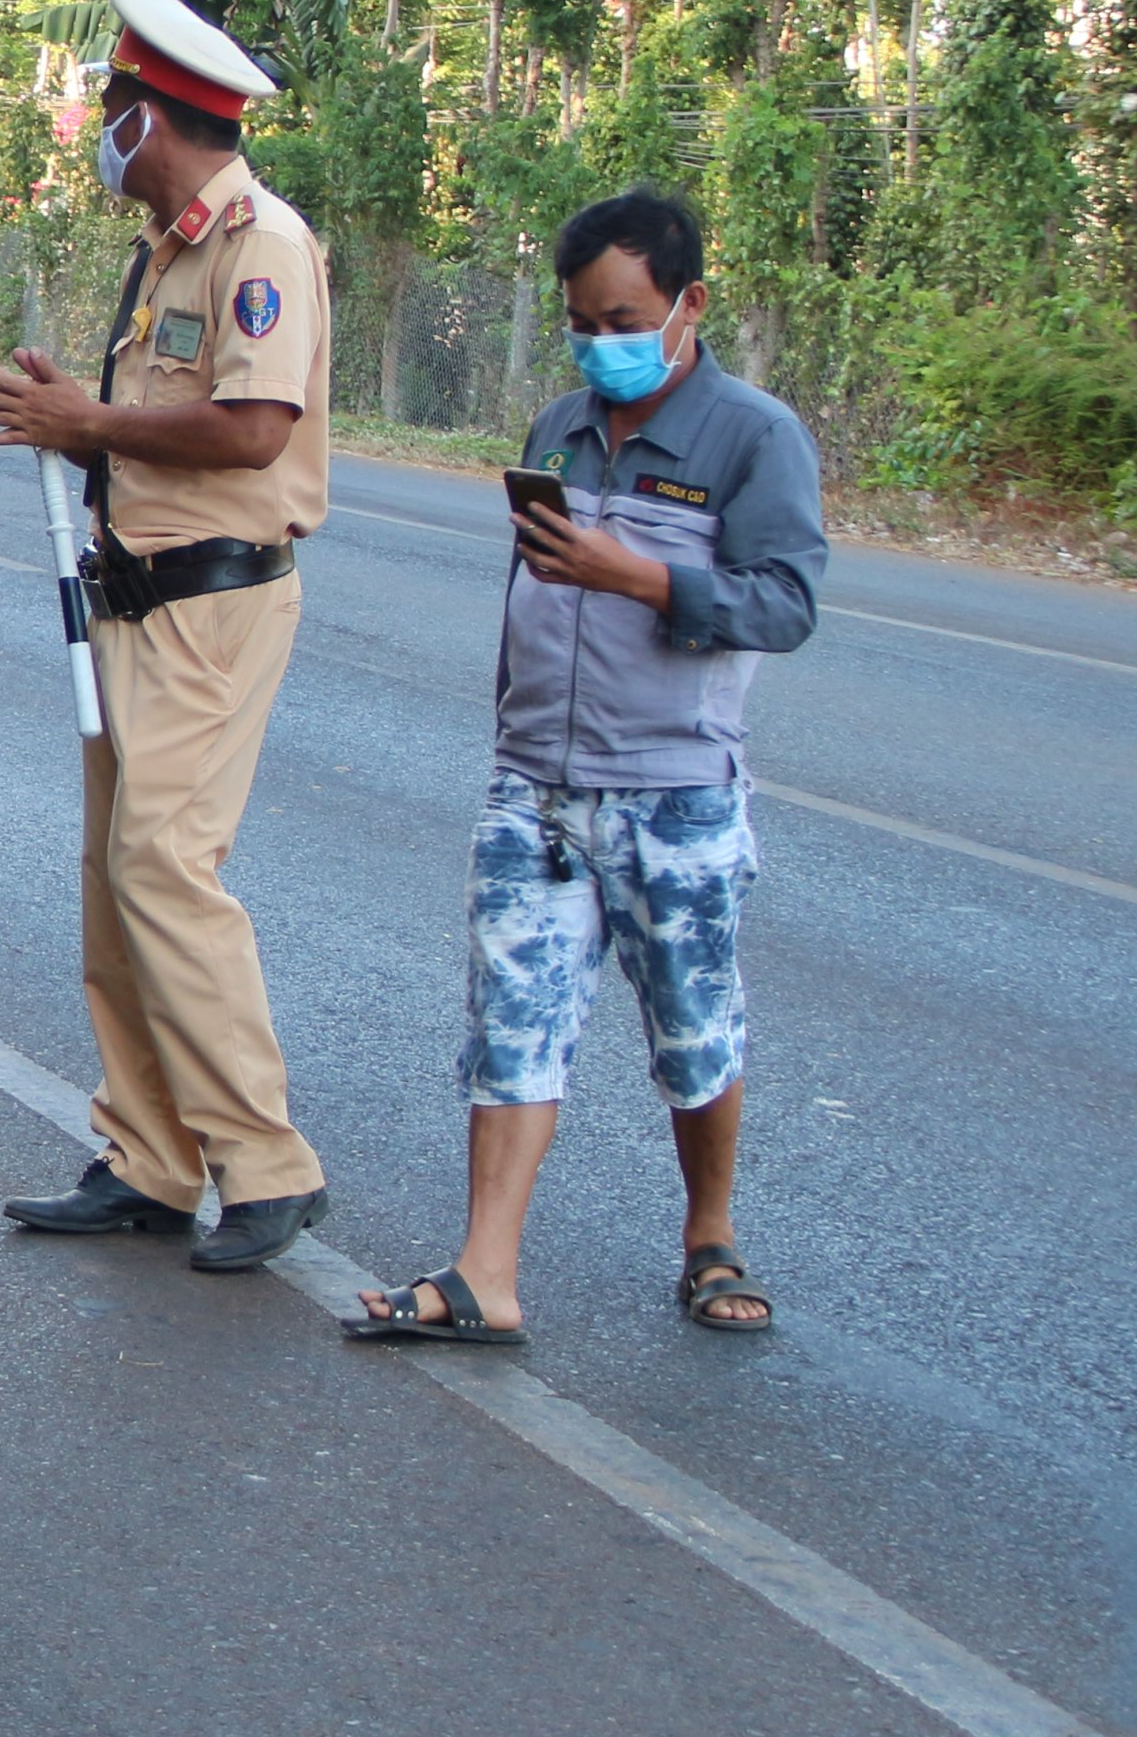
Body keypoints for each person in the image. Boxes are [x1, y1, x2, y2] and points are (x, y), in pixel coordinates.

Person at [345, 190, 825, 1347]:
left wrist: (645, 578)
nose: (598, 341)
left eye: (623, 316)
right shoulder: (559, 426)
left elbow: (788, 604)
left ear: (688, 305)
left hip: (676, 791)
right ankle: (484, 1275)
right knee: (512, 1022)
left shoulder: (754, 438)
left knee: (693, 1027)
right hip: (536, 789)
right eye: (580, 319)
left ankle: (709, 1237)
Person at [0, 0, 336, 1275]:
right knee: (110, 883)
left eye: (112, 103)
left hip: (211, 606)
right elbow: (149, 428)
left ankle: (265, 1161)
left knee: (164, 868)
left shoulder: (257, 245)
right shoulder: (168, 244)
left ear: (155, 112)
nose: (100, 124)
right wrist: (76, 416)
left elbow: (250, 428)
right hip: (130, 598)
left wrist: (90, 427)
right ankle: (150, 1158)